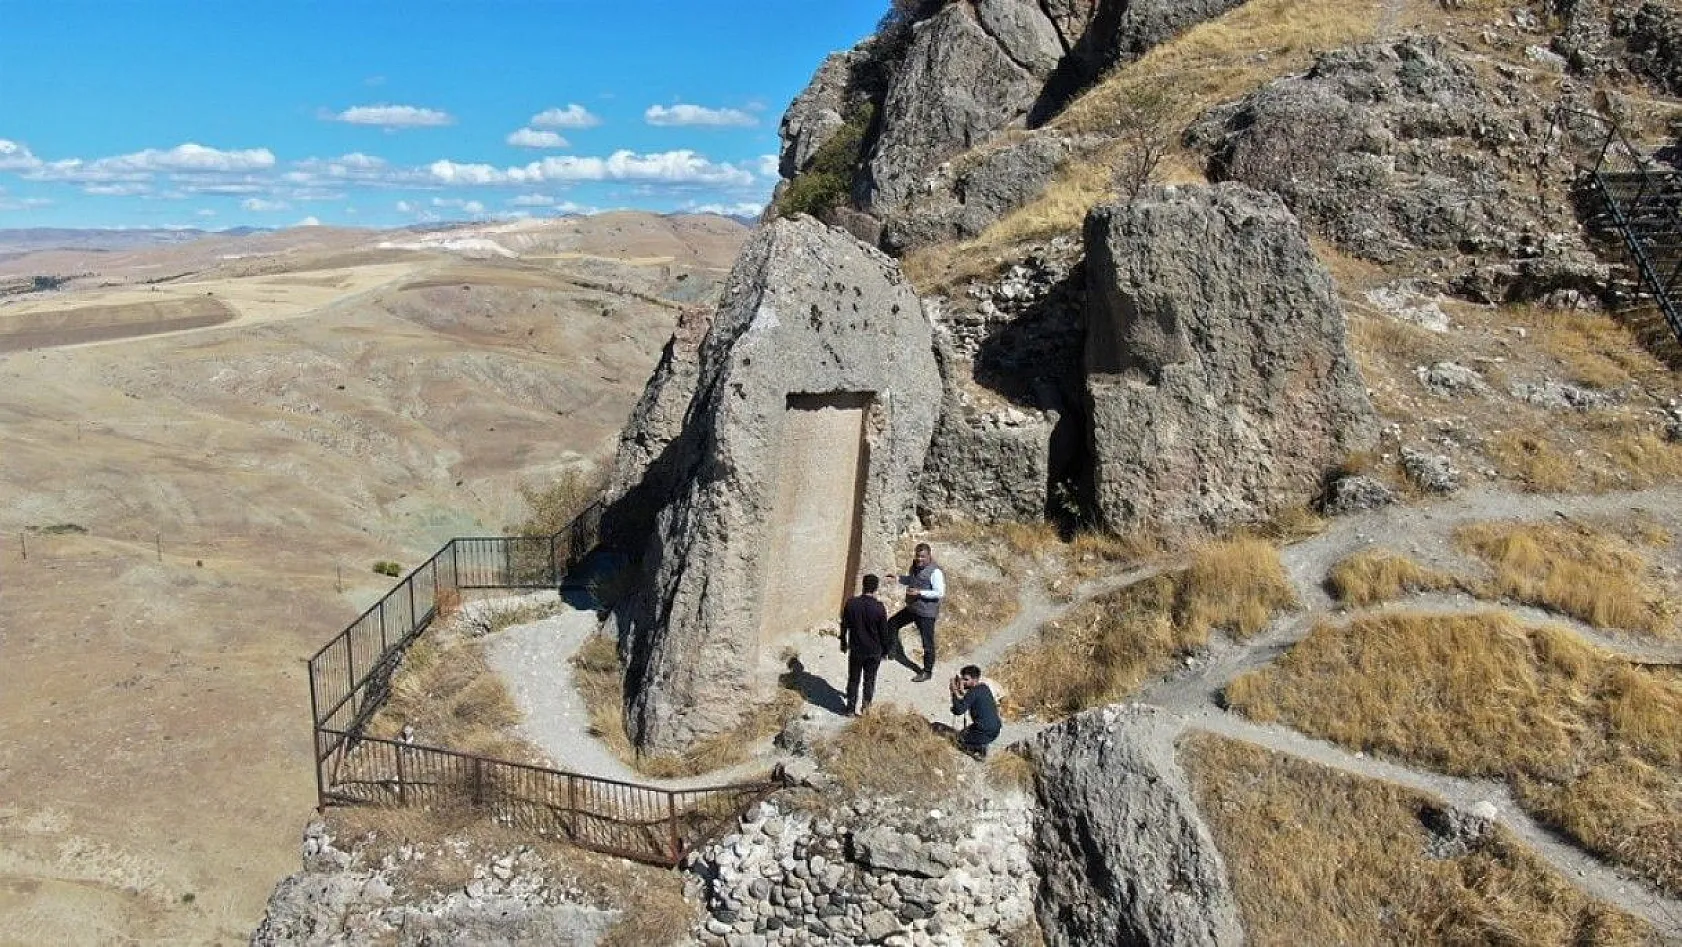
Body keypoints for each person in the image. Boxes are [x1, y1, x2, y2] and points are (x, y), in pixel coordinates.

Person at [888, 542, 944, 682]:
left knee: (927, 644)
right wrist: (898, 578)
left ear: (929, 556)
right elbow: (912, 580)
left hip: (926, 613)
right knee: (892, 623)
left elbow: (939, 592)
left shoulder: (935, 572)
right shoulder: (914, 566)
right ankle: (892, 650)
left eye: (923, 557)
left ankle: (927, 672)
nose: (919, 559)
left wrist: (920, 592)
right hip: (913, 608)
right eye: (918, 556)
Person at [839, 573, 891, 716]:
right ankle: (866, 709)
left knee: (853, 679)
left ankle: (850, 709)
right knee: (869, 680)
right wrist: (886, 650)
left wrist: (843, 642)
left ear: (863, 585)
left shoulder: (851, 603)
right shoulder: (879, 608)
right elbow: (884, 633)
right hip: (874, 651)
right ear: (876, 588)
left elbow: (844, 625)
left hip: (856, 649)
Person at [949, 664, 1001, 758]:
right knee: (964, 732)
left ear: (974, 680)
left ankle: (979, 748)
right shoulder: (983, 687)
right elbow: (968, 698)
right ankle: (979, 743)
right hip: (995, 729)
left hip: (984, 732)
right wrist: (961, 691)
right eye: (962, 679)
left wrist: (954, 691)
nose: (963, 682)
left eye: (966, 679)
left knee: (957, 740)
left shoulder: (973, 692)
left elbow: (958, 711)